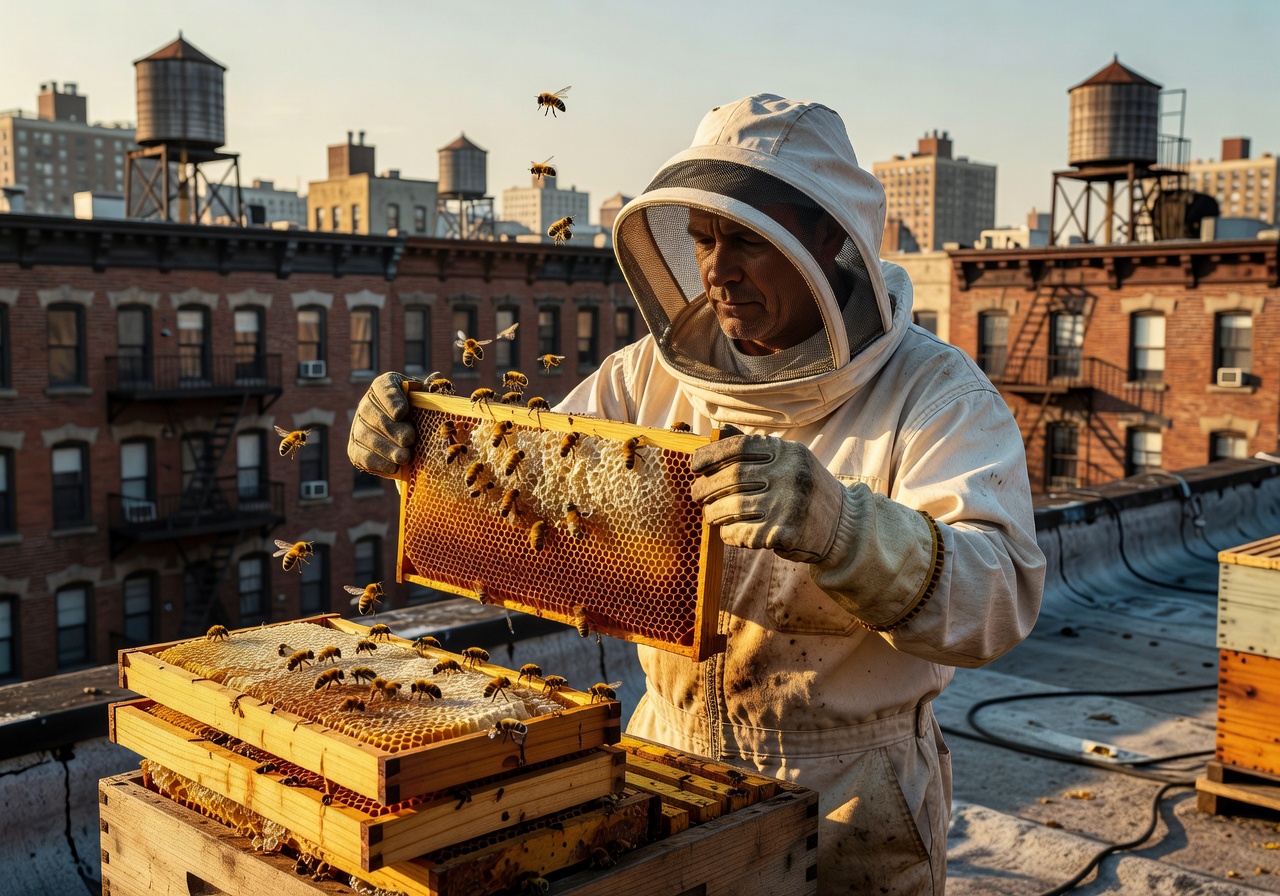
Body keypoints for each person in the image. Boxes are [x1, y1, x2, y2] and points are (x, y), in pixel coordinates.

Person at [349, 94, 1045, 895]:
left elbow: (998, 598)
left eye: (748, 239)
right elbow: (533, 489)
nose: (717, 269)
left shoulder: (935, 395)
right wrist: (421, 458)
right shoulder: (645, 374)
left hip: (851, 789)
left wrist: (847, 529)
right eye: (706, 239)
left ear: (827, 239)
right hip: (666, 751)